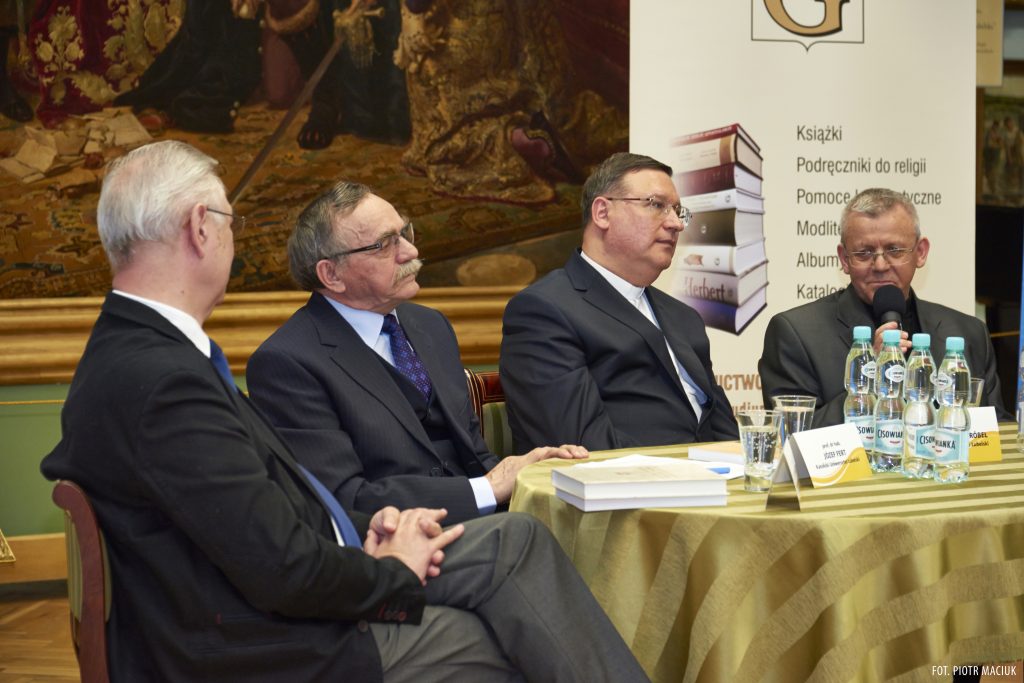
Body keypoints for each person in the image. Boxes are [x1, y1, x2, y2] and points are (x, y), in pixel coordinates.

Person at [40, 140, 648, 682]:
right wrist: (392, 571)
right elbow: (280, 568)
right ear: (201, 227)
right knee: (509, 624)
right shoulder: (163, 379)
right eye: (230, 220)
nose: (232, 236)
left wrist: (367, 527)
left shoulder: (137, 352)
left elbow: (259, 518)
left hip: (278, 593)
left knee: (517, 553)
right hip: (254, 646)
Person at [247, 181, 587, 525]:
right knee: (527, 532)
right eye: (384, 244)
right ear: (331, 274)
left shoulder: (430, 325)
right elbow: (343, 499)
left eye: (404, 233)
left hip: (485, 523)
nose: (410, 251)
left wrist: (531, 476)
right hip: (397, 541)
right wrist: (487, 489)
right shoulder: (286, 362)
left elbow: (472, 453)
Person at [499, 152, 739, 452]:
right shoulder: (544, 311)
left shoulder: (684, 317)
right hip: (626, 480)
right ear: (602, 213)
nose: (676, 223)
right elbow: (582, 444)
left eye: (678, 211)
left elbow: (724, 430)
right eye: (656, 205)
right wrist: (689, 470)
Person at [759, 187, 1010, 428]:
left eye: (894, 250)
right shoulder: (796, 334)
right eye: (864, 253)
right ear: (844, 259)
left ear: (921, 252)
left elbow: (998, 432)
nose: (880, 265)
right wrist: (868, 377)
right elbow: (793, 435)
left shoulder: (969, 332)